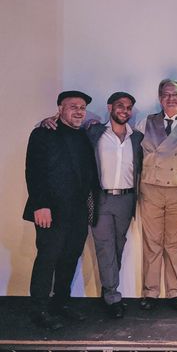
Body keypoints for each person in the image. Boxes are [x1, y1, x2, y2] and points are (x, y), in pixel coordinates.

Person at [23, 91, 97, 330]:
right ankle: (39, 310)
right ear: (59, 109)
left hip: (77, 212)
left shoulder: (84, 135)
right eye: (73, 106)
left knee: (69, 259)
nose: (79, 111)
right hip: (50, 211)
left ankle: (60, 304)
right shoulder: (43, 133)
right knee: (47, 260)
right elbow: (33, 171)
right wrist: (40, 205)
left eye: (82, 107)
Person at [137, 79, 177, 312]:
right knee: (151, 243)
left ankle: (176, 293)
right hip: (151, 190)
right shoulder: (145, 123)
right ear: (159, 98)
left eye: (175, 94)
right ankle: (150, 293)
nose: (171, 98)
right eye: (166, 95)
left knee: (176, 244)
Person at [86, 92, 143, 318]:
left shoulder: (137, 137)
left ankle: (108, 290)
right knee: (104, 245)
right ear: (110, 107)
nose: (125, 110)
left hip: (127, 199)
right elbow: (67, 127)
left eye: (129, 107)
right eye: (120, 106)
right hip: (101, 198)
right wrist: (49, 119)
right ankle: (112, 296)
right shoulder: (94, 132)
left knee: (118, 247)